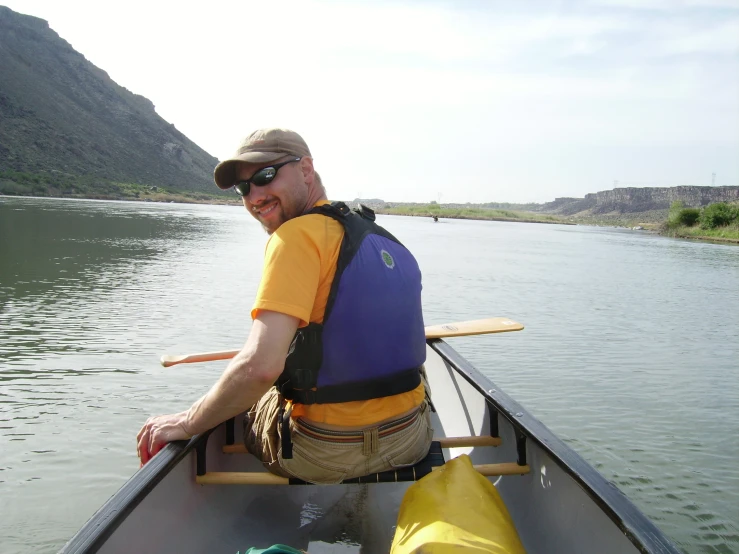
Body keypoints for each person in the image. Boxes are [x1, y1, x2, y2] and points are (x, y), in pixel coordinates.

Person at [137, 128, 433, 483]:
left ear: (306, 169)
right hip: (409, 441)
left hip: (322, 454)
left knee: (248, 390)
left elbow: (260, 368)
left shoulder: (293, 238)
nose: (255, 196)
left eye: (265, 176)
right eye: (243, 188)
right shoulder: (387, 240)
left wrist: (189, 421)